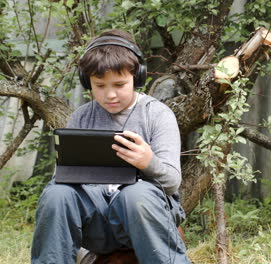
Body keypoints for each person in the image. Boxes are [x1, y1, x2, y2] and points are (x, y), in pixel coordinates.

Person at [31, 29, 191, 264]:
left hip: (141, 214)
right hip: (95, 221)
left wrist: (149, 162)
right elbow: (63, 179)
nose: (110, 95)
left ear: (137, 76)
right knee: (56, 193)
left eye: (119, 84)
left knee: (136, 194)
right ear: (88, 83)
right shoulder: (81, 117)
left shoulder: (157, 114)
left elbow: (172, 183)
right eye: (100, 86)